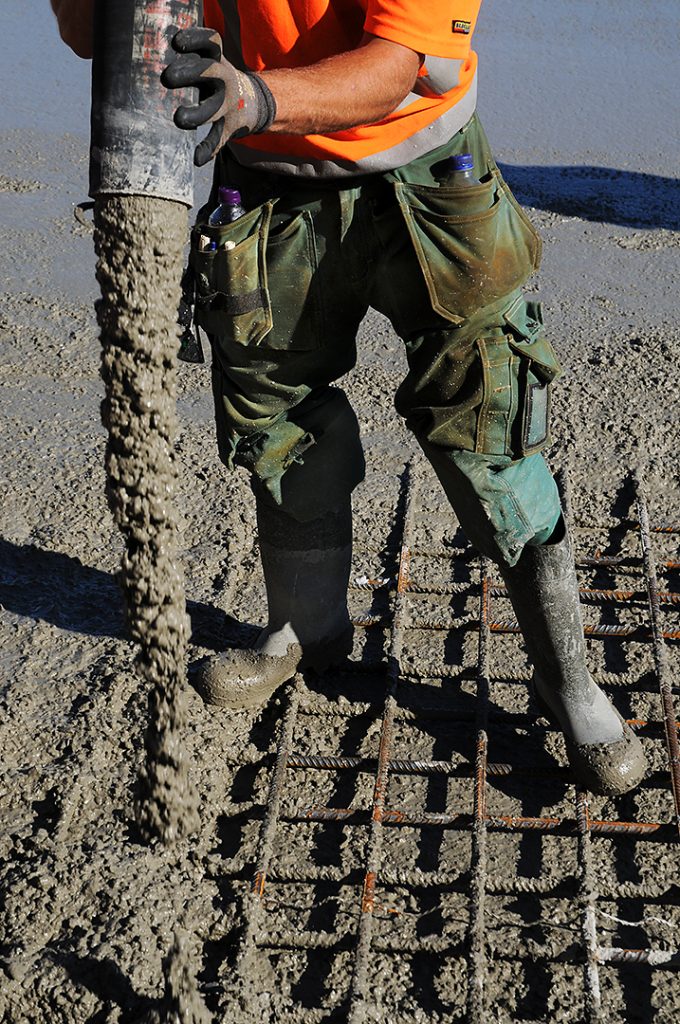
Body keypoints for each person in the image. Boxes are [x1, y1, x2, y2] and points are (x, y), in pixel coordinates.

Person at [52, 0, 646, 797]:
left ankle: (567, 681)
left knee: (485, 428)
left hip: (426, 180)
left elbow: (394, 64)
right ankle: (306, 630)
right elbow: (95, 33)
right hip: (266, 180)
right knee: (278, 416)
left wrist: (256, 97)